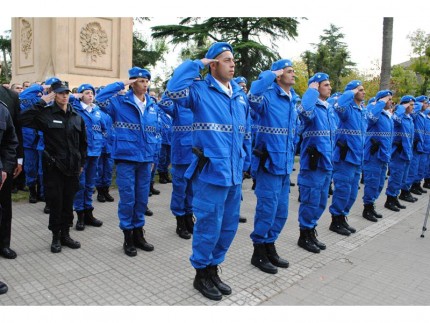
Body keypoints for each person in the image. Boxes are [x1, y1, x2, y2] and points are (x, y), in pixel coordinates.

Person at [166, 42, 251, 301]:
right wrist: (198, 63)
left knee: (227, 228)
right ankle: (201, 274)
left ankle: (213, 269)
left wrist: (245, 163)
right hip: (212, 172)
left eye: (233, 60)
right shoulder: (199, 91)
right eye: (226, 60)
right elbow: (173, 89)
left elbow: (244, 133)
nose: (232, 64)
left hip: (234, 173)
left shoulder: (238, 95)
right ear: (213, 64)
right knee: (208, 226)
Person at [96, 67, 158, 257]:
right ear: (132, 83)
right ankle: (128, 237)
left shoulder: (152, 105)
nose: (145, 84)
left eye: (147, 81)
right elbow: (99, 98)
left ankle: (139, 233)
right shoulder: (119, 103)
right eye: (140, 81)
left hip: (145, 158)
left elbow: (155, 133)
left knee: (142, 198)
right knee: (128, 198)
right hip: (126, 158)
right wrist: (121, 83)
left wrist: (154, 157)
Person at [19, 80, 87, 253]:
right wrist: (42, 101)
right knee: (56, 203)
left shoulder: (76, 116)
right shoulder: (46, 114)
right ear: (54, 95)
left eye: (67, 93)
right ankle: (56, 237)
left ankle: (66, 234)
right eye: (61, 92)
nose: (65, 95)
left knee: (68, 202)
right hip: (54, 168)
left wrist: (81, 163)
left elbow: (83, 144)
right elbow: (22, 118)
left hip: (72, 168)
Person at [247, 58, 297, 273]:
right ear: (278, 75)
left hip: (285, 164)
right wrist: (270, 73)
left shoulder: (292, 99)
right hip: (269, 164)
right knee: (267, 210)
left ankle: (270, 246)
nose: (294, 74)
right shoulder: (267, 96)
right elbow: (253, 94)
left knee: (281, 212)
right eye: (289, 71)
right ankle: (258, 252)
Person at [296, 72, 337, 253]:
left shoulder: (328, 108)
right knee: (310, 200)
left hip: (327, 163)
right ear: (316, 88)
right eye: (325, 85)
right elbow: (305, 111)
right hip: (313, 163)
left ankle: (311, 231)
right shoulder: (310, 107)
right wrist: (311, 91)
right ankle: (304, 235)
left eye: (329, 84)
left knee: (320, 201)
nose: (330, 88)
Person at [328, 80, 367, 236]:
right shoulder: (347, 109)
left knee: (352, 193)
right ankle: (335, 221)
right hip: (345, 158)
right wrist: (350, 91)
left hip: (358, 157)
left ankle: (343, 217)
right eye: (360, 90)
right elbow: (339, 106)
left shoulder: (361, 110)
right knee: (343, 190)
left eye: (363, 90)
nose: (363, 92)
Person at [71, 83, 105, 230]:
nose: (90, 95)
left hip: (95, 151)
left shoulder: (97, 111)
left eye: (92, 93)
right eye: (86, 93)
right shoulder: (75, 109)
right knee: (80, 184)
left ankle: (89, 212)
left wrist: (101, 141)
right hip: (81, 153)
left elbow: (104, 128)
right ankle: (80, 215)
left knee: (90, 184)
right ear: (80, 95)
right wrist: (75, 97)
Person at [0, 74, 23, 260]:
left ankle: (4, 244)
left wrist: (14, 162)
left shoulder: (9, 98)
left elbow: (14, 132)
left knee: (5, 207)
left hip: (3, 168)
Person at [361, 90, 394, 222]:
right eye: (388, 99)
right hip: (374, 154)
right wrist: (381, 102)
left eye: (391, 99)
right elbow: (370, 118)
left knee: (380, 183)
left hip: (384, 154)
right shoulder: (374, 111)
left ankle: (371, 205)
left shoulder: (387, 115)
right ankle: (367, 208)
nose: (390, 102)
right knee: (372, 182)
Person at [0, 99, 19, 294]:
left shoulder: (2, 109)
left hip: (1, 175)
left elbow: (10, 141)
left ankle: (4, 244)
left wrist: (6, 168)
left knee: (4, 212)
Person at [384, 96, 415, 211]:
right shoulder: (399, 117)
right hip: (399, 152)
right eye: (410, 105)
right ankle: (390, 200)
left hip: (407, 152)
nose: (412, 107)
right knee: (396, 176)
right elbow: (395, 119)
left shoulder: (409, 118)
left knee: (402, 177)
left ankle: (395, 197)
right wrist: (402, 107)